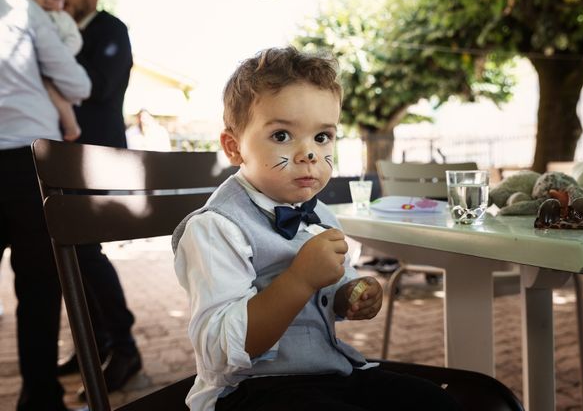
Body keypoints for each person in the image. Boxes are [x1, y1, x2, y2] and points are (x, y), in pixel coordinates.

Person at [172, 47, 462, 411]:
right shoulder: (217, 228)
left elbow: (334, 285)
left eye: (322, 137)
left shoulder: (319, 213)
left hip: (331, 373)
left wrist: (352, 293)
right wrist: (299, 280)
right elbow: (219, 351)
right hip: (251, 391)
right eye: (281, 136)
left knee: (434, 402)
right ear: (234, 147)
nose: (308, 153)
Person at [0, 0, 91, 410]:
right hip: (25, 161)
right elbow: (78, 83)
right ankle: (39, 398)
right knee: (38, 286)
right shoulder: (19, 7)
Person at [57, 0, 142, 398]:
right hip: (63, 159)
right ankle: (95, 344)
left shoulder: (111, 29)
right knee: (69, 256)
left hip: (95, 158)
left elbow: (99, 87)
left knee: (87, 254)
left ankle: (124, 348)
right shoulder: (60, 32)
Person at [18, 0, 83, 142]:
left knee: (58, 99)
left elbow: (74, 39)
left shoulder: (62, 19)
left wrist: (61, 54)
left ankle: (71, 127)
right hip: (26, 70)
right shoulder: (18, 16)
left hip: (50, 72)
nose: (48, 1)